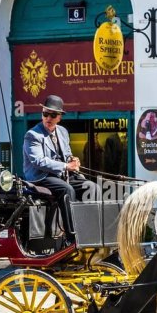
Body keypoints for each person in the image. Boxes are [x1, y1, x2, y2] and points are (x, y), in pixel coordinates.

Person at [23, 94, 100, 239]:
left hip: (62, 175)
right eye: (45, 114)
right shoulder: (32, 135)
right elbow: (38, 161)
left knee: (92, 187)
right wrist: (66, 166)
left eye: (53, 115)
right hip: (41, 176)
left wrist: (73, 160)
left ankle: (91, 230)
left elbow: (67, 153)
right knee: (66, 189)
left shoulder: (63, 132)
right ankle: (72, 236)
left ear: (59, 117)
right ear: (42, 114)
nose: (48, 118)